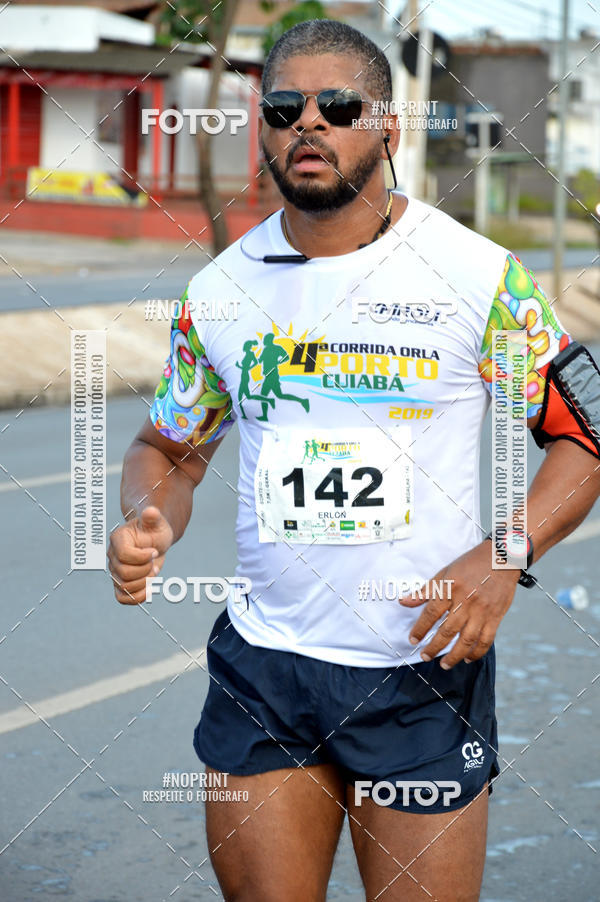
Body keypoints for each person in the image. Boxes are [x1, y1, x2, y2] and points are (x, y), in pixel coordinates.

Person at [108, 19, 600, 902]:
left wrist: (503, 555)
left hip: (419, 673)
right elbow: (167, 448)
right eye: (285, 108)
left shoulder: (479, 279)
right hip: (263, 667)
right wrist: (148, 515)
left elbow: (587, 433)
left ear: (388, 130)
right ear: (261, 127)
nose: (310, 125)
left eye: (338, 107)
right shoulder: (219, 291)